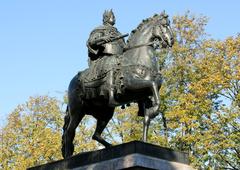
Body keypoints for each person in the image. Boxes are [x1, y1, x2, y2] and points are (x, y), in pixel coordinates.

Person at [86, 9, 126, 106]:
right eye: (112, 16)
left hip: (119, 58)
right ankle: (111, 95)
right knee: (111, 62)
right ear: (106, 18)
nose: (114, 18)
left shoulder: (118, 33)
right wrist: (102, 38)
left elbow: (124, 47)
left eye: (114, 16)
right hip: (104, 58)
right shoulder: (99, 30)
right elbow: (91, 42)